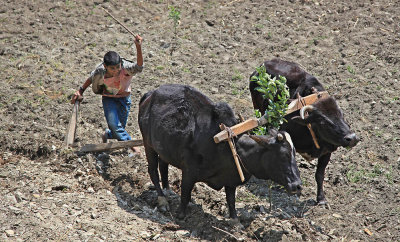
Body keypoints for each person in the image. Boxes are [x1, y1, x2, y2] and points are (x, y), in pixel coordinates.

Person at [71, 35, 143, 153]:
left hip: (124, 98)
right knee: (114, 125)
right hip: (109, 99)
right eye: (112, 68)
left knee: (118, 129)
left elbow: (139, 67)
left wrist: (138, 47)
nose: (115, 70)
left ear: (121, 63)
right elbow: (91, 78)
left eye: (117, 67)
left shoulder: (126, 68)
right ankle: (132, 146)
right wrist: (80, 90)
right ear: (105, 66)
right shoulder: (100, 71)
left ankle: (107, 134)